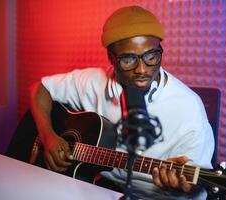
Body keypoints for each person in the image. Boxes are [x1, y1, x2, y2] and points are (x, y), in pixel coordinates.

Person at [30, 5, 214, 200]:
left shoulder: (189, 106)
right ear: (111, 58)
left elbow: (198, 188)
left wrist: (179, 187)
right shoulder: (92, 81)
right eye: (128, 60)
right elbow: (40, 88)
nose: (142, 69)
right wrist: (48, 136)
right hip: (97, 187)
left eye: (151, 56)